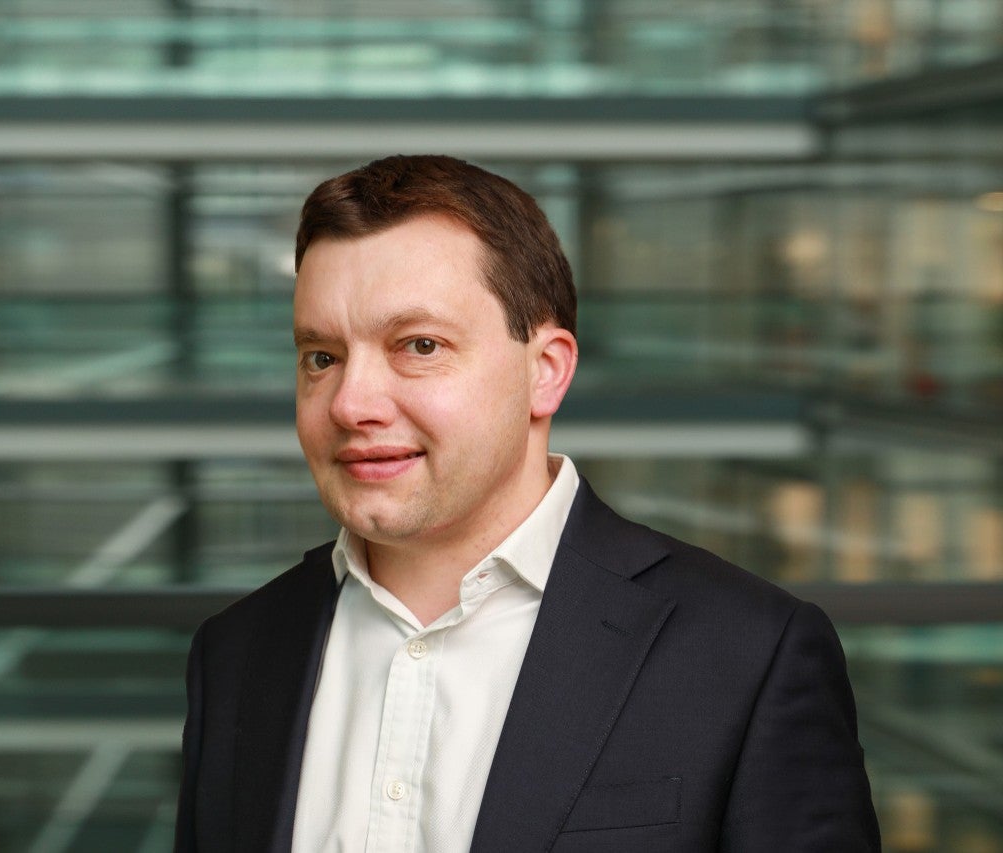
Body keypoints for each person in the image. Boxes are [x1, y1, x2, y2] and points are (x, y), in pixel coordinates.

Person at [174, 155, 880, 852]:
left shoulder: (748, 654)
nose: (350, 404)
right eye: (321, 357)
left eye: (419, 345)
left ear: (545, 372)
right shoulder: (236, 653)